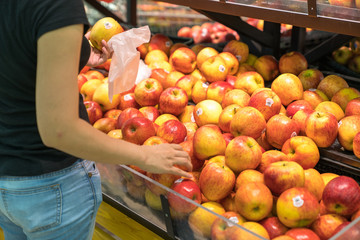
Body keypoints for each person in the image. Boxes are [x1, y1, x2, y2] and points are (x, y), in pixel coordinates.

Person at [0, 0, 192, 239]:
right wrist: (146, 156)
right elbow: (59, 131)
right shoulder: (58, 5)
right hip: (52, 188)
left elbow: (17, 54)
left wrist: (74, 52)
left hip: (8, 176)